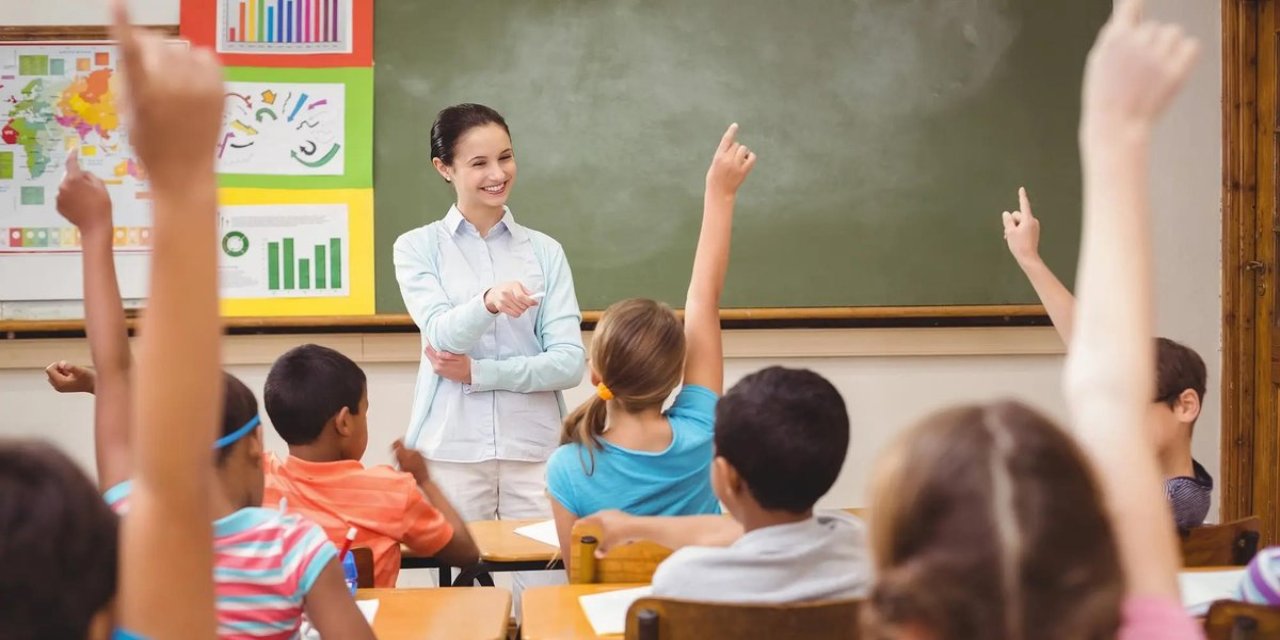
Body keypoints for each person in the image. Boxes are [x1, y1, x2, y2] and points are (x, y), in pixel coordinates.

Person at [546, 124, 756, 570]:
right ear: (675, 374)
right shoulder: (703, 432)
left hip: (612, 614)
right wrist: (720, 194)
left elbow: (578, 580)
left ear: (596, 374)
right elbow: (703, 301)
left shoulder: (569, 467)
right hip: (697, 607)